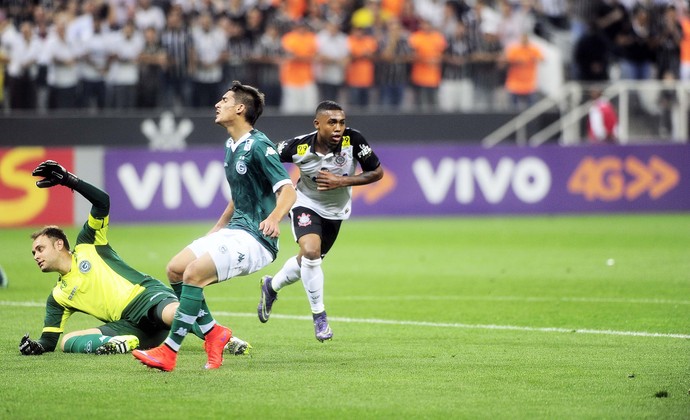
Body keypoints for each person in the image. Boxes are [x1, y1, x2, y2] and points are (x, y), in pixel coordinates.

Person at [132, 81, 296, 372]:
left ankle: (169, 352)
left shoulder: (260, 145)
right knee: (176, 269)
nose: (217, 105)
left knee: (194, 273)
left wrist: (273, 219)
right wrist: (219, 226)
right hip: (235, 230)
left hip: (257, 238)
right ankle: (213, 333)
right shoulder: (232, 145)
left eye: (224, 100)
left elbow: (288, 190)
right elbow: (239, 194)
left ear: (240, 108)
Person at [20, 160, 251, 357]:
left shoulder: (88, 244)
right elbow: (49, 340)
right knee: (67, 341)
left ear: (59, 244)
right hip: (129, 327)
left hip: (145, 297)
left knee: (172, 312)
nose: (36, 256)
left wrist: (69, 180)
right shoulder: (57, 297)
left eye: (40, 249)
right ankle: (120, 343)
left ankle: (224, 339)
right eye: (33, 253)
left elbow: (102, 201)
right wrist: (35, 346)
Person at [257, 100, 384, 342]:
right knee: (311, 252)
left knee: (307, 260)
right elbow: (266, 158)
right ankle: (320, 317)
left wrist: (342, 182)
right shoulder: (299, 147)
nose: (338, 128)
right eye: (332, 122)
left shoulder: (353, 140)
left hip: (336, 212)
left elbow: (377, 172)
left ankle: (271, 287)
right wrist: (276, 190)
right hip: (305, 202)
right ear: (318, 124)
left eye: (342, 122)